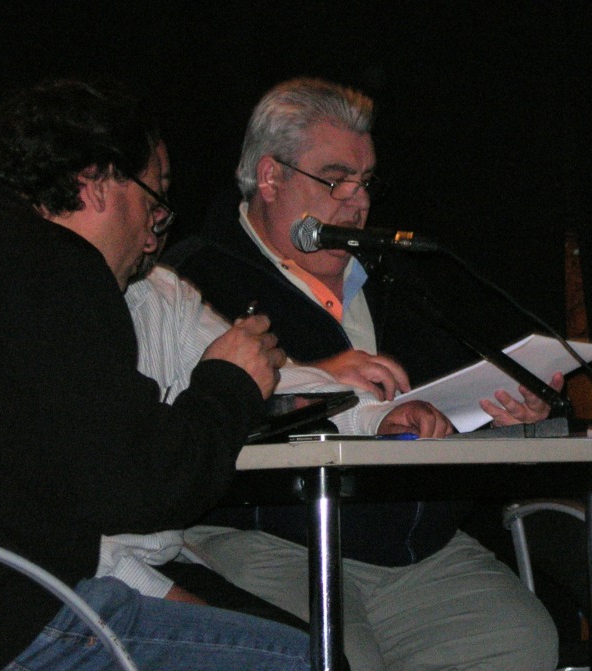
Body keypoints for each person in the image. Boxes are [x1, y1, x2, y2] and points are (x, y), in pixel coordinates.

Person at [164, 77, 559, 671]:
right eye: (335, 179)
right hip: (270, 541)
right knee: (335, 658)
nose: (358, 201)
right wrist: (319, 375)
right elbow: (177, 415)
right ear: (271, 179)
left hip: (414, 550)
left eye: (365, 181)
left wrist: (503, 410)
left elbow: (437, 409)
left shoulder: (399, 281)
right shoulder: (194, 277)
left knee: (520, 640)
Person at [0, 78, 314, 671]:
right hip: (1, 622)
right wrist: (230, 382)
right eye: (152, 201)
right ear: (96, 182)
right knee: (304, 661)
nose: (150, 237)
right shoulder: (56, 269)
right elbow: (139, 488)